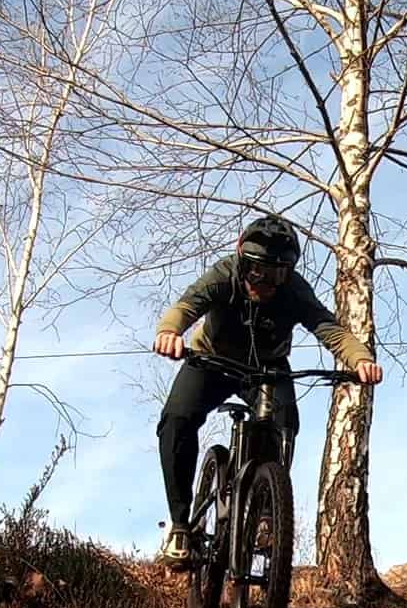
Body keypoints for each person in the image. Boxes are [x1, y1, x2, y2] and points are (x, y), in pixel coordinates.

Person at [151, 214, 383, 568]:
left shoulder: (294, 290)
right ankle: (182, 525)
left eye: (277, 274)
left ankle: (264, 512)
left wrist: (360, 358)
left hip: (267, 370)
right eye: (256, 270)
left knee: (285, 421)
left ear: (288, 272)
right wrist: (169, 332)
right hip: (211, 361)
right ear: (242, 259)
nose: (265, 282)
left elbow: (329, 329)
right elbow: (187, 305)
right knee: (176, 421)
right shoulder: (224, 274)